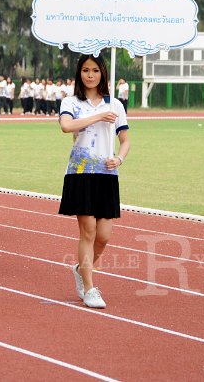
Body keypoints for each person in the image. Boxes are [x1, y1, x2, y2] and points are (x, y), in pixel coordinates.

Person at [58, 54, 130, 309]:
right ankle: (89, 287)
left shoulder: (116, 105)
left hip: (107, 175)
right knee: (87, 231)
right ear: (80, 73)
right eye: (86, 70)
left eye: (95, 70)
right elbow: (66, 126)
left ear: (103, 73)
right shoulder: (71, 102)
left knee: (104, 236)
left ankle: (80, 269)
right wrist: (98, 116)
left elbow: (125, 140)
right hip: (80, 173)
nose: (90, 75)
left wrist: (119, 159)